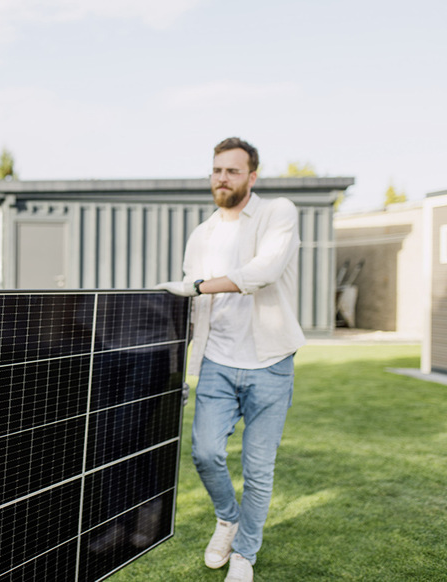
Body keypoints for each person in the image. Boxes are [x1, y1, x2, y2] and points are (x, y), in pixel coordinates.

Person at [156, 137, 305, 582]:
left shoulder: (279, 212)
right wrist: (179, 363)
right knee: (204, 453)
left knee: (258, 469)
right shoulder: (202, 234)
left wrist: (199, 284)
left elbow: (263, 272)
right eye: (217, 170)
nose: (222, 178)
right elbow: (189, 299)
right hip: (218, 360)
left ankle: (244, 553)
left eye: (233, 171)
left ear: (252, 177)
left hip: (270, 362)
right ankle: (227, 519)